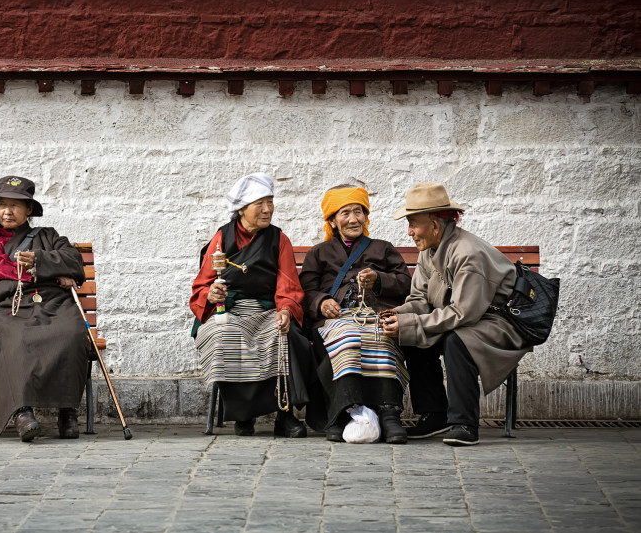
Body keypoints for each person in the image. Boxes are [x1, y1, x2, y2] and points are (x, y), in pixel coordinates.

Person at [381, 182, 528, 446]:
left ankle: (464, 423)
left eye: (413, 223)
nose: (409, 232)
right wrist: (396, 315)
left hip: (500, 323)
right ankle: (435, 414)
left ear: (435, 225)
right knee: (411, 334)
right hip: (469, 318)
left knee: (456, 340)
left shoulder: (467, 253)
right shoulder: (430, 250)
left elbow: (464, 312)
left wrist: (412, 322)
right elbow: (420, 299)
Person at [190, 173, 312, 437]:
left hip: (268, 310)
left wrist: (285, 310)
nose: (268, 209)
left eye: (270, 202)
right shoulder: (222, 238)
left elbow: (288, 284)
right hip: (229, 311)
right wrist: (211, 294)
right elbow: (202, 284)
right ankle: (243, 416)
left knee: (284, 335)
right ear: (242, 209)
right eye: (261, 203)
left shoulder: (279, 240)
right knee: (223, 335)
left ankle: (285, 414)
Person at [0, 176, 90, 442]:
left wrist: (40, 260)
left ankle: (67, 411)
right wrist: (48, 274)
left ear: (29, 210)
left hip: (53, 303)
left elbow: (74, 260)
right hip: (11, 306)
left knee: (71, 333)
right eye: (2, 204)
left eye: (16, 205)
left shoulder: (48, 235)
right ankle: (22, 413)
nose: (7, 211)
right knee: (13, 339)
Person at [299, 185, 413, 443]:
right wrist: (321, 302)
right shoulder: (319, 253)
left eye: (359, 211)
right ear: (332, 220)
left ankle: (389, 415)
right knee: (348, 337)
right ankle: (342, 414)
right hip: (335, 321)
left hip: (372, 316)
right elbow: (305, 291)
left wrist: (380, 279)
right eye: (345, 213)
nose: (353, 219)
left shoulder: (383, 248)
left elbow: (405, 283)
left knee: (381, 336)